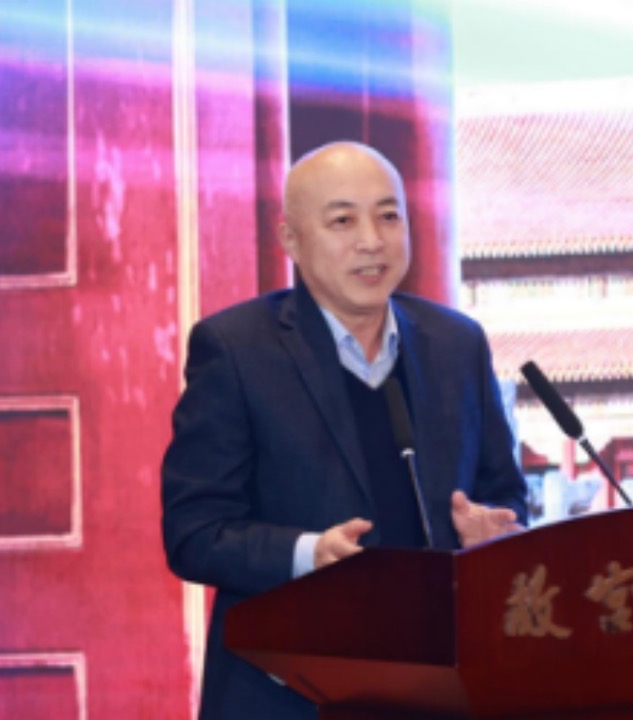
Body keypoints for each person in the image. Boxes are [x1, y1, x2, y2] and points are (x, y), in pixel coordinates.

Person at [161, 141, 527, 719]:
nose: (371, 240)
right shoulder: (235, 349)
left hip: (438, 691)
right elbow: (195, 532)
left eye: (389, 216)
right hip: (290, 696)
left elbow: (504, 494)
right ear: (291, 240)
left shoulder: (456, 343)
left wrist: (492, 532)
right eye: (342, 221)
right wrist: (308, 554)